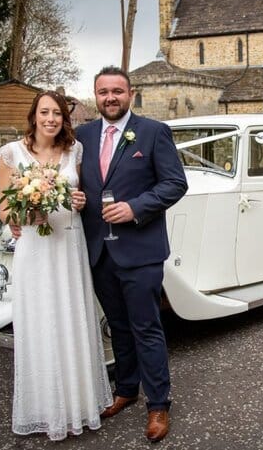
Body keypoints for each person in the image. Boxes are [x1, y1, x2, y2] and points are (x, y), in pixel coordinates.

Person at [76, 66, 188, 443]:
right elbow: (73, 183)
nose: (111, 97)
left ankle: (158, 404)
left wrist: (136, 208)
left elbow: (175, 183)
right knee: (118, 327)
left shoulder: (154, 132)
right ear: (96, 95)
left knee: (146, 328)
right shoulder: (82, 136)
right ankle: (126, 389)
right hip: (98, 251)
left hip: (140, 251)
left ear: (130, 94)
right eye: (104, 91)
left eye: (118, 91)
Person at [0, 91, 113, 441]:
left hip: (69, 242)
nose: (51, 119)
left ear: (64, 118)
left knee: (72, 317)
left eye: (57, 113)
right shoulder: (10, 154)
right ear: (33, 116)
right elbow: (4, 210)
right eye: (44, 112)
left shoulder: (73, 151)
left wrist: (80, 199)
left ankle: (80, 404)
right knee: (42, 320)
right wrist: (24, 210)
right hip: (36, 245)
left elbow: (81, 196)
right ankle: (45, 409)